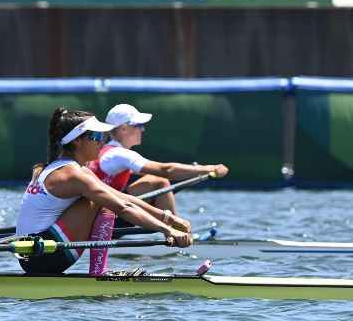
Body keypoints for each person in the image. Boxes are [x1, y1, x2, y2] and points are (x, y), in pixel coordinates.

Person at [15, 107, 193, 274]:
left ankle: (98, 272)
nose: (101, 141)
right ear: (77, 141)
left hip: (36, 253)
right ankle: (99, 274)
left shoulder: (76, 170)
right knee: (101, 203)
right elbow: (122, 207)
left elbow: (123, 198)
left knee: (106, 198)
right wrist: (167, 230)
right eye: (96, 136)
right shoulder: (73, 175)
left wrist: (169, 219)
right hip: (41, 255)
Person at [86, 103, 229, 222]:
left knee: (158, 181)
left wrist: (193, 171)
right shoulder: (118, 154)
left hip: (101, 212)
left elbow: (166, 172)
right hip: (104, 216)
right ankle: (178, 232)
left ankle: (170, 230)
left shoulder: (109, 153)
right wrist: (209, 168)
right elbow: (166, 171)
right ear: (123, 128)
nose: (142, 129)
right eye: (138, 125)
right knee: (159, 181)